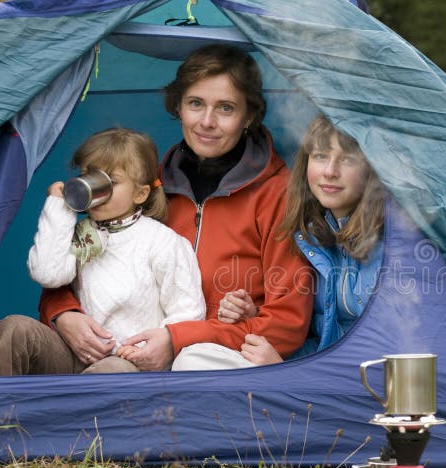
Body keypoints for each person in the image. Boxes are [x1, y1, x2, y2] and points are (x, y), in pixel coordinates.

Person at [36, 44, 313, 372]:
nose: (207, 121)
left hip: (220, 357)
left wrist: (180, 338)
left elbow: (286, 323)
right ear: (179, 106)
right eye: (196, 104)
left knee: (191, 362)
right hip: (130, 350)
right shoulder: (144, 185)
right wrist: (64, 313)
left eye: (225, 108)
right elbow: (72, 266)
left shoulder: (278, 193)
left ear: (249, 116)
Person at [0, 127, 206, 375]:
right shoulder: (80, 233)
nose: (94, 189)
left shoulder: (163, 242)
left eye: (110, 182)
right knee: (13, 329)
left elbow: (188, 311)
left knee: (112, 370)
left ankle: (85, 411)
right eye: (89, 177)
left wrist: (147, 349)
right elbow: (48, 273)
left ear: (140, 193)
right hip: (73, 355)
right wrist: (60, 207)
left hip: (128, 363)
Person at [216, 115, 385, 365]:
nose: (330, 171)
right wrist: (256, 316)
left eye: (347, 160)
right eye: (321, 156)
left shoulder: (392, 243)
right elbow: (323, 338)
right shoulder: (311, 236)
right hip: (322, 376)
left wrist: (285, 373)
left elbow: (386, 356)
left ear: (371, 169)